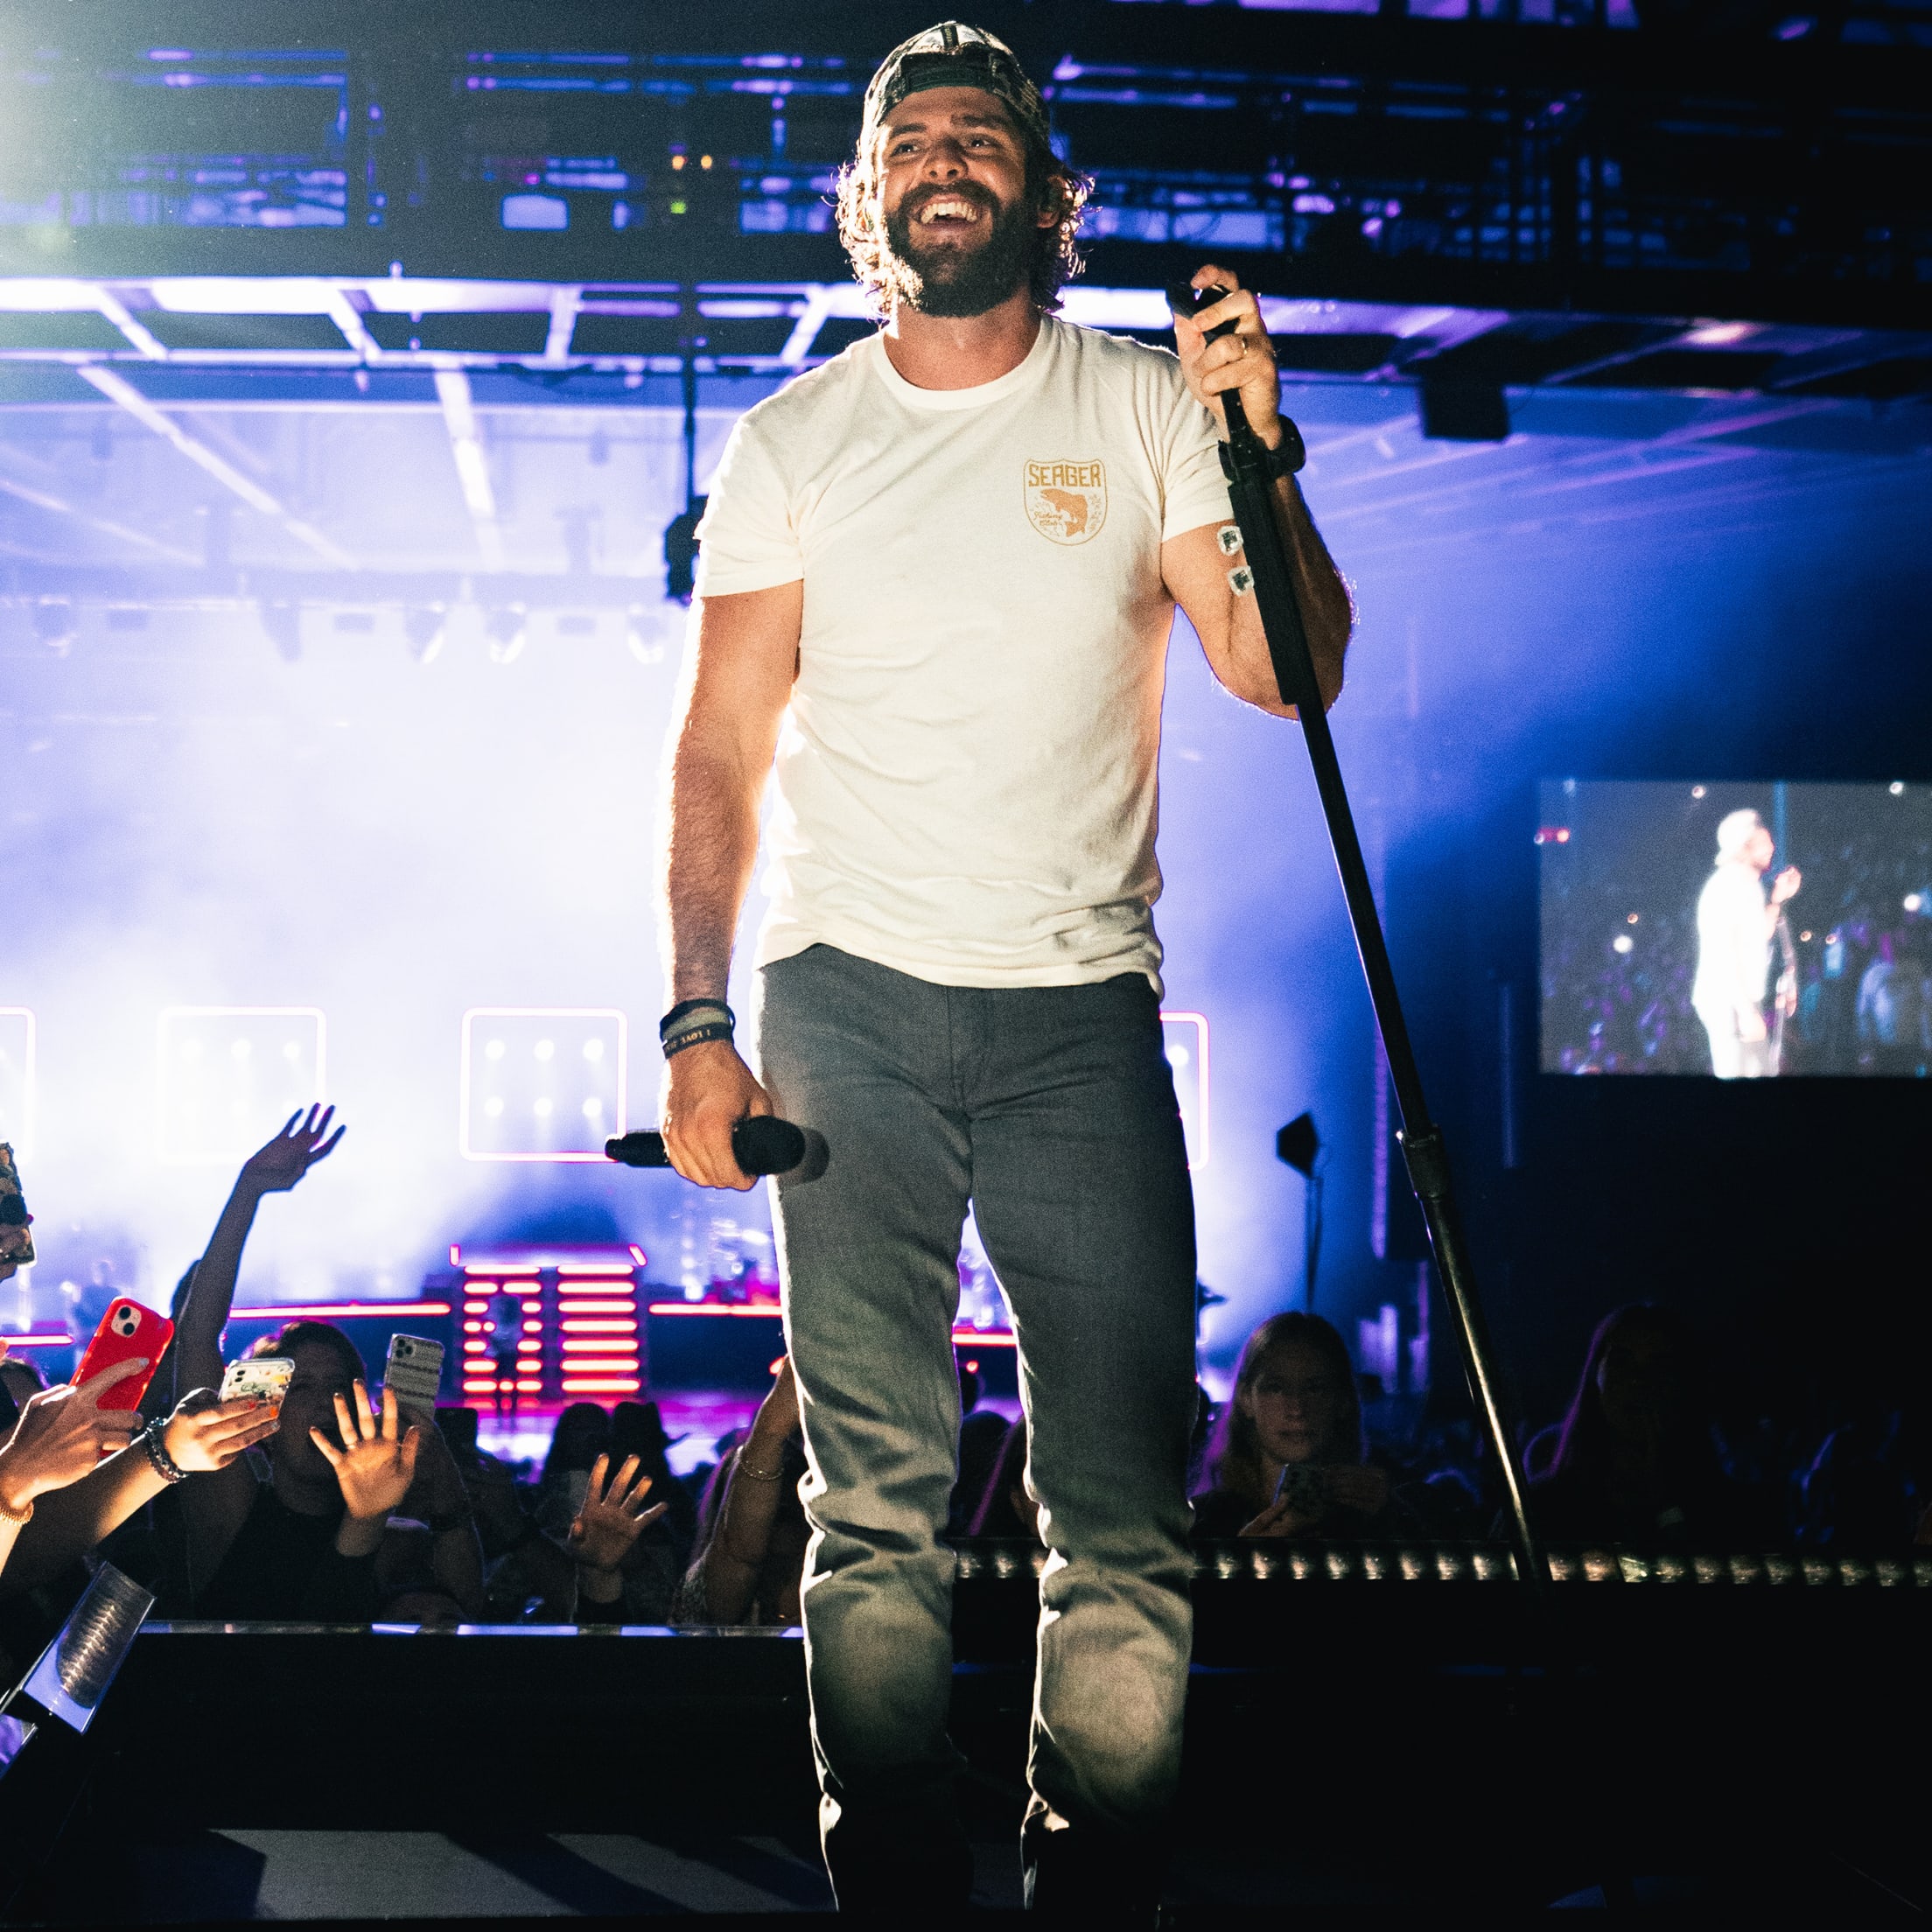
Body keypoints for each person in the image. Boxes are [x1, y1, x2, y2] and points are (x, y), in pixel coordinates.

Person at [653, 21, 1351, 1911]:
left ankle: (1091, 1877)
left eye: (985, 134)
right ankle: (892, 1874)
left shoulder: (1140, 410)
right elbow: (720, 748)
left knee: (1120, 1516)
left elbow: (1288, 673)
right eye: (912, 139)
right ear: (869, 199)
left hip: (1077, 1019)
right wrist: (702, 1022)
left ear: (1052, 195)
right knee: (867, 1505)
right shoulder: (795, 436)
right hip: (848, 998)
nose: (946, 157)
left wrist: (1260, 451)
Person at [161, 1110, 485, 1620]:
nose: (327, 1401)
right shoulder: (234, 1509)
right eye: (302, 1384)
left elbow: (471, 1616)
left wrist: (447, 1496)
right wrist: (250, 1189)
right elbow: (197, 1338)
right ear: (264, 1414)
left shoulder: (401, 1539)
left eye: (341, 1384)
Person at [1525, 1304, 1775, 1550]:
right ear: (1595, 1378)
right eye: (1621, 1362)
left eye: (1660, 1365)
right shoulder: (1544, 1507)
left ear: (1684, 1384)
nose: (1639, 1381)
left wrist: (1667, 1508)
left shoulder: (1735, 1512)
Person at [1191, 1314, 1407, 1540]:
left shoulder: (1376, 1511)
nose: (1296, 1409)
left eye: (1315, 1388)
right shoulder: (1205, 1523)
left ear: (1342, 1400)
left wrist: (1391, 1521)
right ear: (1246, 1398)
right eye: (1275, 1388)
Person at [672, 1359, 808, 1628]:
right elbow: (738, 1553)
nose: (772, 1508)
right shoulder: (709, 1591)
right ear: (724, 1508)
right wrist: (770, 1431)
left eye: (790, 1500)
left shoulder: (850, 1580)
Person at [1692, 808, 1800, 1080]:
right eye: (1763, 844)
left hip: (1738, 1002)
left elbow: (1757, 936)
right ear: (1743, 848)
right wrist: (1745, 1009)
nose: (1772, 848)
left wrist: (1776, 900)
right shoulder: (1729, 886)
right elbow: (1721, 953)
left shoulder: (1747, 886)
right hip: (1728, 1003)